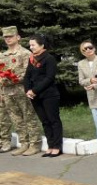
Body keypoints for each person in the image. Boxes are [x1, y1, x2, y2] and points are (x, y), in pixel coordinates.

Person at [0, 26, 40, 155]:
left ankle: (35, 144)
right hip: (7, 92)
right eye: (6, 37)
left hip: (22, 89)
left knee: (29, 116)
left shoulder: (25, 53)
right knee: (16, 119)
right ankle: (24, 143)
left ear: (18, 37)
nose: (8, 39)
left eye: (10, 36)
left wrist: (11, 79)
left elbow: (28, 73)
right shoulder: (3, 55)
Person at [24, 33, 62, 157]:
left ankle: (57, 146)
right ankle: (50, 146)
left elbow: (49, 78)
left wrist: (34, 90)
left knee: (53, 120)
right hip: (35, 96)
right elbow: (27, 76)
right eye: (30, 45)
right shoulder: (32, 58)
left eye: (33, 45)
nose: (31, 47)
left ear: (42, 45)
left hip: (49, 94)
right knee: (45, 121)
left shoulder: (49, 58)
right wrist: (28, 90)